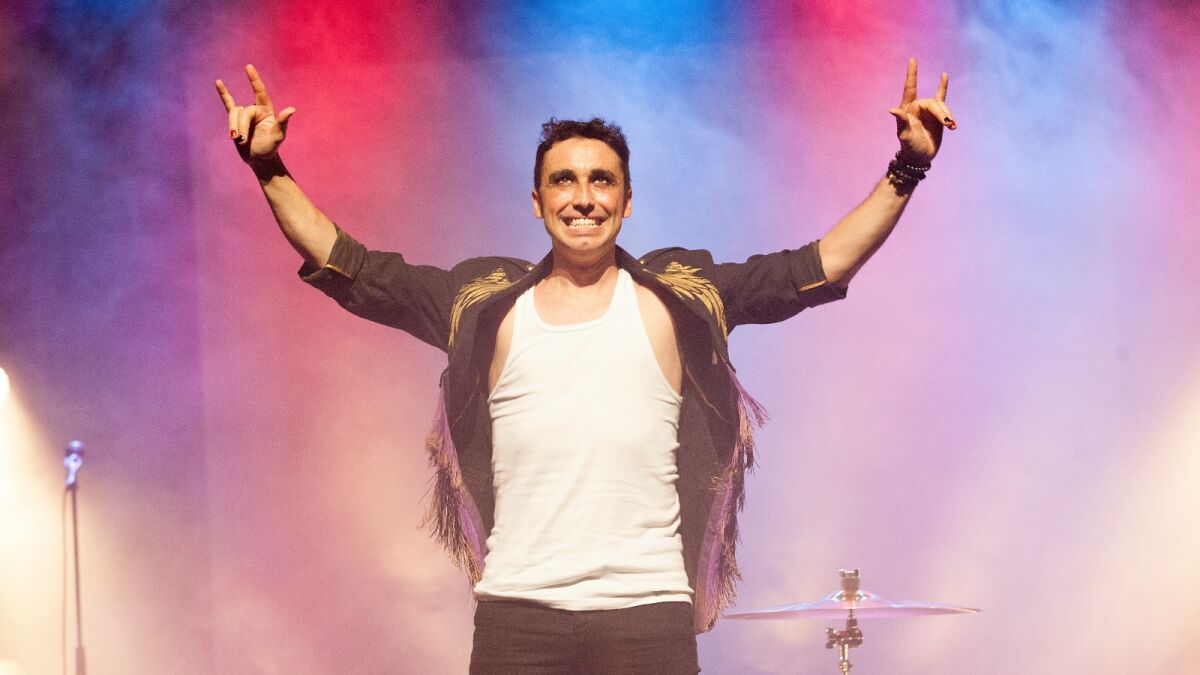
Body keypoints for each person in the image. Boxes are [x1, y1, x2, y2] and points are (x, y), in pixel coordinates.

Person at [215, 60, 954, 674]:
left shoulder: (683, 295)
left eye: (602, 181)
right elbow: (356, 270)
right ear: (537, 201)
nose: (583, 198)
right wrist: (269, 167)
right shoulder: (483, 303)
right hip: (517, 616)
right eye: (564, 181)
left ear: (627, 202)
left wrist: (908, 166)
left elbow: (815, 268)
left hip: (648, 615)